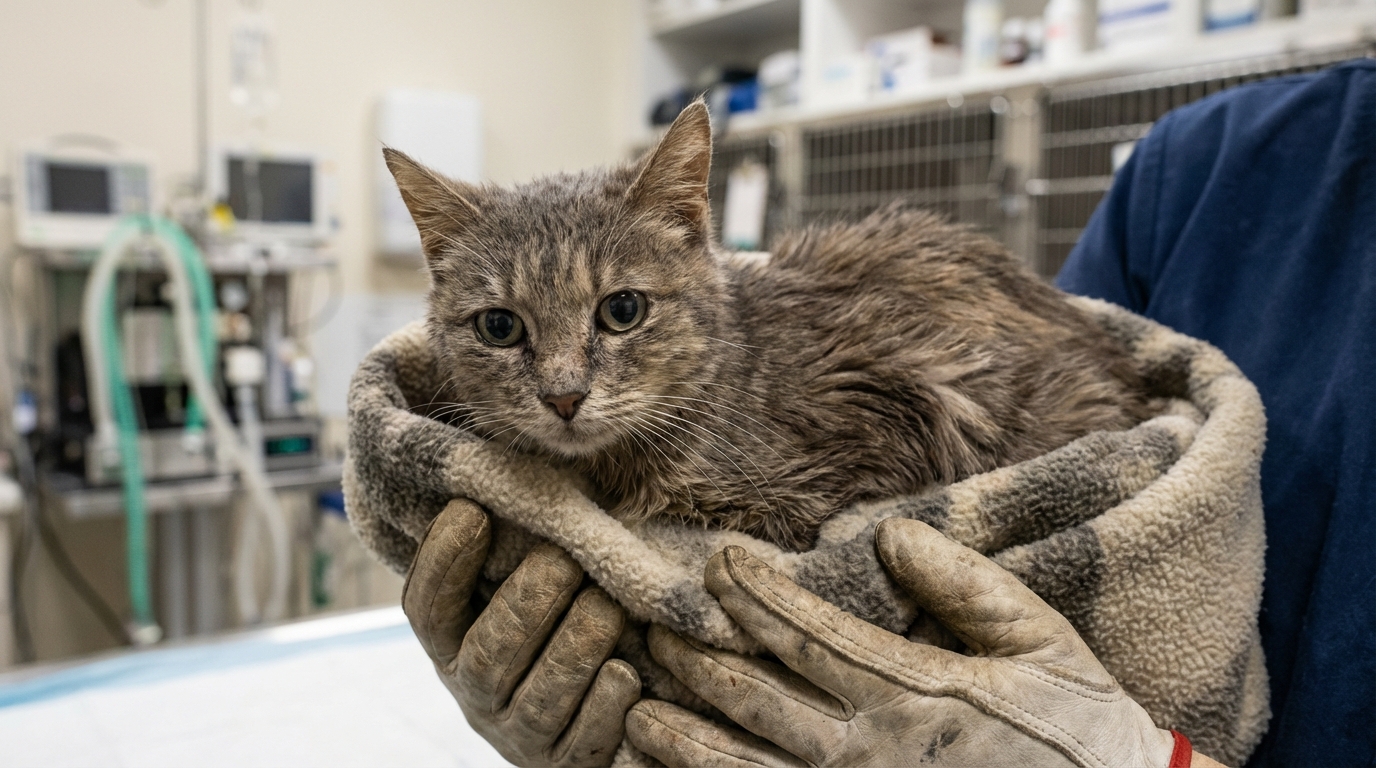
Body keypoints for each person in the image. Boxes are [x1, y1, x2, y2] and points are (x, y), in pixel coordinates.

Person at [400, 59, 1375, 767]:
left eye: (618, 314)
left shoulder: (744, 400)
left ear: (691, 238)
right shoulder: (1194, 164)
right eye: (500, 330)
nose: (563, 384)